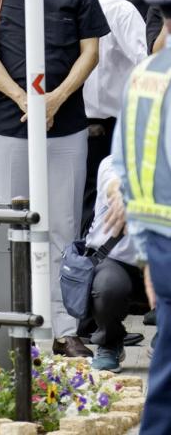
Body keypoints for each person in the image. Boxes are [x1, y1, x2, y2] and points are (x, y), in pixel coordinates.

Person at [0, 0, 109, 356]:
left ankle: (66, 325)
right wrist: (22, 98)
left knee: (66, 223)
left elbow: (90, 53)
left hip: (66, 124)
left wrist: (55, 99)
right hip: (9, 126)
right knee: (17, 223)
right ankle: (19, 322)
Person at [108, 0, 171, 430]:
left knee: (166, 369)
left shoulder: (145, 74)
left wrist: (148, 257)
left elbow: (125, 167)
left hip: (156, 241)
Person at [80, 0, 148, 230]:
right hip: (115, 129)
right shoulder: (123, 10)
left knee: (80, 207)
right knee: (112, 212)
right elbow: (144, 63)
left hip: (71, 124)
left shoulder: (72, 4)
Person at [81, 155, 146, 372]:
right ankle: (109, 343)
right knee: (108, 288)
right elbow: (113, 185)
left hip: (159, 262)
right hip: (117, 261)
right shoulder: (113, 161)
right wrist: (121, 196)